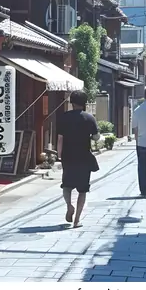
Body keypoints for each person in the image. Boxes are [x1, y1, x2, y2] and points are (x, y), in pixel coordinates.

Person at [57, 90, 100, 228]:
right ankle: (77, 220)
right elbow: (96, 136)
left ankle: (69, 205)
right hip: (84, 157)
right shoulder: (89, 118)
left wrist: (59, 155)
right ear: (84, 103)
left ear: (71, 103)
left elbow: (60, 139)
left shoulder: (64, 117)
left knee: (67, 185)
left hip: (68, 156)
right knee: (83, 189)